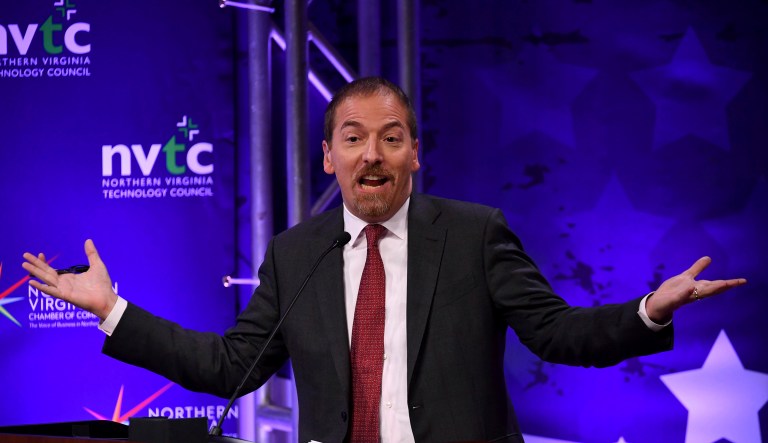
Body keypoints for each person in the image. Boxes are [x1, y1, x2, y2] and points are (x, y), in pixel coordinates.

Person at [22, 77, 746, 443]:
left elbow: (558, 334)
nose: (372, 153)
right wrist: (111, 310)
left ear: (414, 155)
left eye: (391, 138)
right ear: (329, 157)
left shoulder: (474, 234)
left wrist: (649, 311)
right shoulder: (296, 253)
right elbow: (229, 366)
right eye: (354, 138)